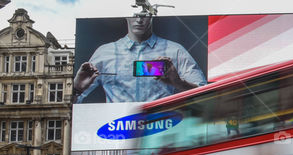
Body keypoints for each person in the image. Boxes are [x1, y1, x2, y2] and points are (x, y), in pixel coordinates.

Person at [73, 13, 207, 103]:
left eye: (144, 16)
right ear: (125, 17)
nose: (139, 20)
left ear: (152, 16)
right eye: (134, 16)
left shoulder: (175, 50)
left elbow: (205, 95)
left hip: (162, 135)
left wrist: (178, 82)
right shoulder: (104, 53)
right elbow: (70, 107)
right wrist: (77, 89)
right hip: (119, 135)